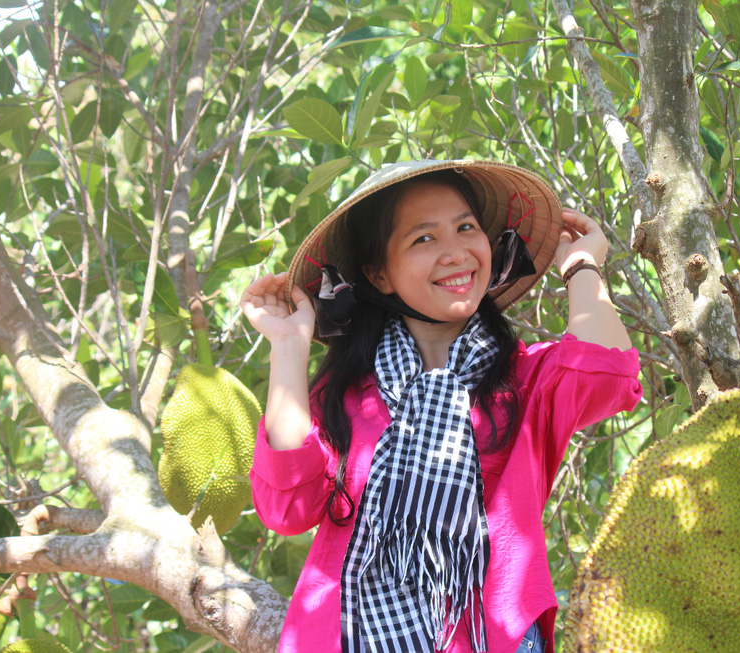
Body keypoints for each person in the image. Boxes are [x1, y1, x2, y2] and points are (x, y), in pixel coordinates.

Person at [240, 160, 642, 653]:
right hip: (347, 636)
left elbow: (609, 375)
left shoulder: (528, 380)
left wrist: (581, 264)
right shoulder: (345, 400)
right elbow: (288, 506)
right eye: (423, 239)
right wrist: (287, 346)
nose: (456, 252)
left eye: (466, 227)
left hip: (490, 637)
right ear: (378, 274)